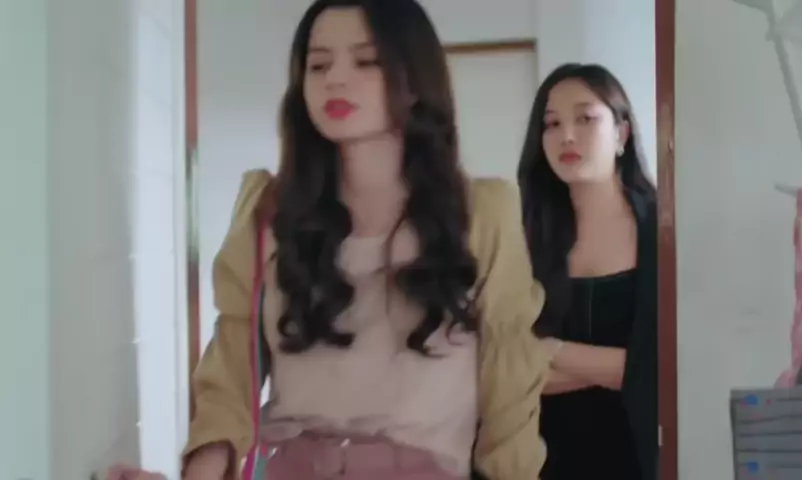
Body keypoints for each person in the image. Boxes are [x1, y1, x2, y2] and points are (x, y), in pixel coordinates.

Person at [111, 0, 551, 479]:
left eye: (366, 60)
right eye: (318, 65)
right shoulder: (267, 211)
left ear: (414, 79)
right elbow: (231, 377)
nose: (335, 79)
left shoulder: (483, 213)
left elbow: (510, 392)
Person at [517, 63, 659, 480]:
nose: (567, 135)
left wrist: (552, 351)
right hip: (543, 460)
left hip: (639, 458)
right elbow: (505, 368)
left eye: (585, 118)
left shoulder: (663, 232)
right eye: (552, 124)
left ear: (621, 134)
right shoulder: (524, 236)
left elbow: (665, 370)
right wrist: (619, 369)